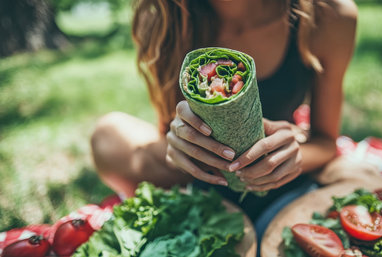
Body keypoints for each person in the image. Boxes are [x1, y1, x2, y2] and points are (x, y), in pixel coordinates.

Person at [90, 0, 357, 240]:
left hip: (282, 177)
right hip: (199, 177)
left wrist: (294, 154)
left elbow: (326, 142)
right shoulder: (165, 17)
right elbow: (168, 129)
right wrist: (175, 147)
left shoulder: (329, 16)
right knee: (106, 136)